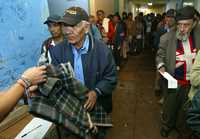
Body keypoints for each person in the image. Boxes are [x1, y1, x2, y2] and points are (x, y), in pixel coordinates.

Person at [50, 6, 117, 139]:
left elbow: (111, 78)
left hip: (98, 108)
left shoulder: (102, 51)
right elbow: (56, 79)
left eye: (73, 26)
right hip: (71, 110)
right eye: (64, 26)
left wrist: (96, 92)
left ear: (86, 27)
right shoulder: (57, 51)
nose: (68, 31)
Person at [156, 6, 200, 138]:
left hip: (192, 83)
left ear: (194, 22)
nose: (182, 29)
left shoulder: (198, 35)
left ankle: (181, 127)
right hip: (173, 80)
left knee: (185, 108)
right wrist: (161, 67)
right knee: (169, 106)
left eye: (186, 25)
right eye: (180, 25)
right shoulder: (167, 38)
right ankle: (166, 126)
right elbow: (160, 56)